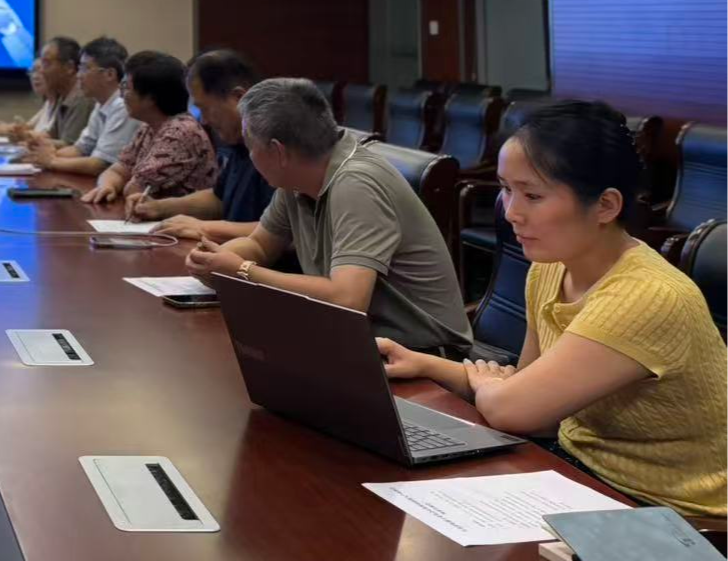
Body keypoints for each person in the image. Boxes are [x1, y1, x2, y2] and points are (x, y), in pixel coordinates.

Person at [379, 100, 728, 516]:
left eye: (533, 195)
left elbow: (513, 409)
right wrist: (424, 364)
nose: (511, 212)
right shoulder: (550, 268)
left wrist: (500, 391)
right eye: (506, 189)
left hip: (667, 511)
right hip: (578, 470)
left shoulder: (647, 296)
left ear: (606, 206)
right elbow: (529, 399)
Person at [184, 78, 471, 357]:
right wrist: (216, 260)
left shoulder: (356, 184)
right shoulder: (295, 179)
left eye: (250, 146)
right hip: (355, 336)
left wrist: (242, 269)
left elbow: (347, 300)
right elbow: (259, 244)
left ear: (278, 151)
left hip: (424, 355)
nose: (249, 155)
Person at [73, 52, 218, 213]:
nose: (121, 94)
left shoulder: (181, 132)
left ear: (151, 98)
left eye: (126, 87)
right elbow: (116, 170)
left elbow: (134, 189)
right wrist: (107, 186)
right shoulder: (149, 128)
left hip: (184, 224)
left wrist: (120, 183)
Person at [154, 49, 277, 235]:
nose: (203, 121)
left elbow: (287, 233)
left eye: (204, 108)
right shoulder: (237, 141)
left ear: (239, 98)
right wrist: (158, 208)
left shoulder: (279, 146)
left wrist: (204, 228)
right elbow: (219, 199)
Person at [24, 36, 136, 177]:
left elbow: (101, 165)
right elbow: (80, 149)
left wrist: (52, 161)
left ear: (109, 74)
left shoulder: (123, 106)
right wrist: (46, 155)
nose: (78, 76)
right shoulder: (101, 104)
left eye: (85, 68)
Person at [0, 36, 90, 145]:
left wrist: (28, 140)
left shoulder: (81, 98)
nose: (41, 71)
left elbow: (70, 146)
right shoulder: (63, 97)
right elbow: (49, 135)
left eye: (46, 64)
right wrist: (23, 136)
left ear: (69, 67)